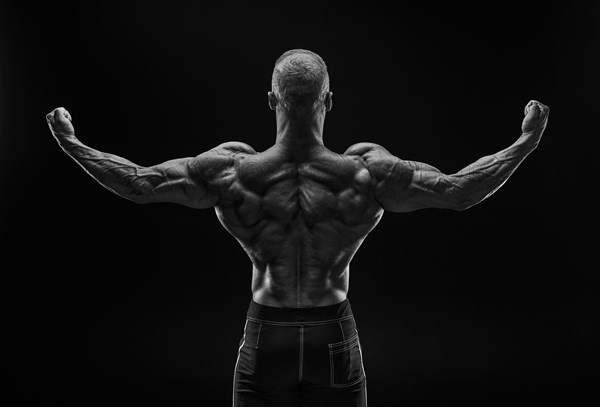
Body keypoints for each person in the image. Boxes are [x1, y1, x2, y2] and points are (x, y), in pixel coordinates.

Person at [46, 49, 549, 407]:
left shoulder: (233, 171)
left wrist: (71, 141)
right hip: (334, 331)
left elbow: (139, 182)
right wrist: (525, 142)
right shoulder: (364, 172)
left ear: (272, 100)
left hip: (267, 335)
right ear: (329, 100)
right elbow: (459, 190)